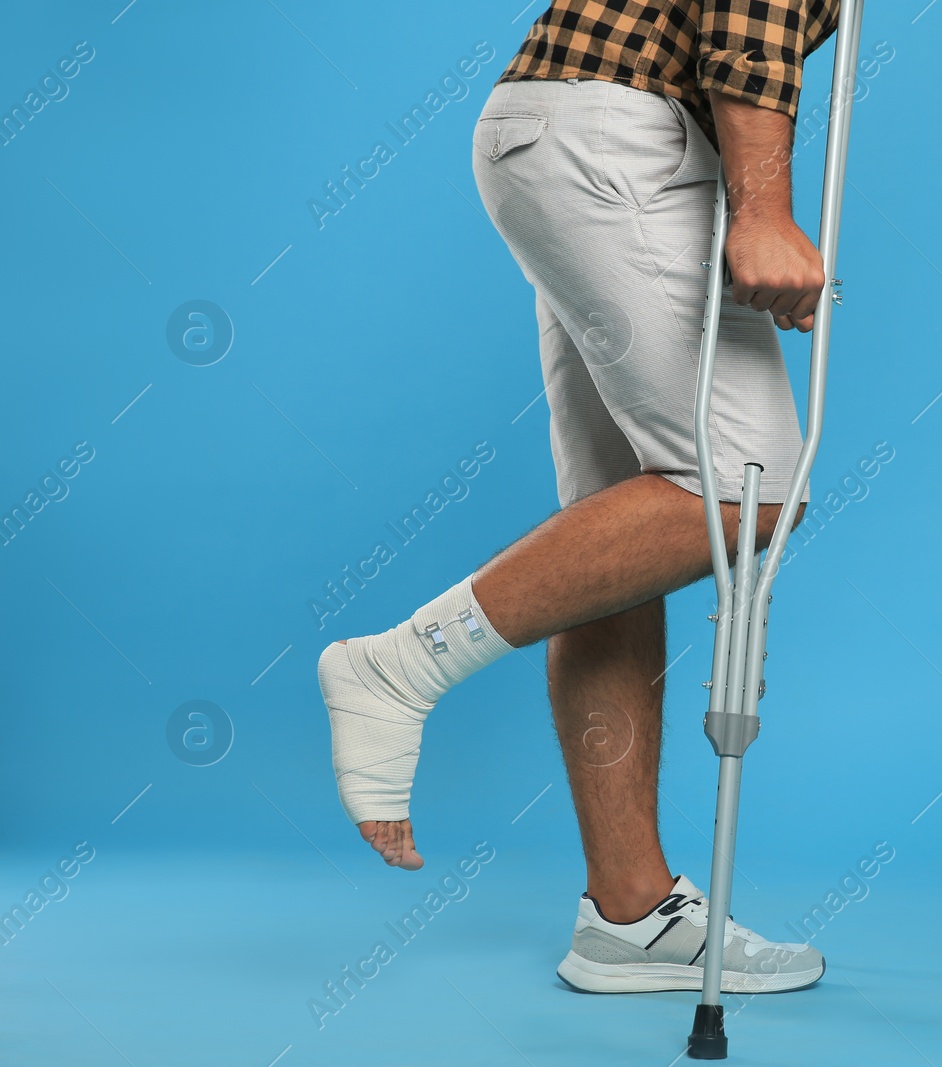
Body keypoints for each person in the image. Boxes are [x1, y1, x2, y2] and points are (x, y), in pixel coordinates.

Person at [316, 0, 842, 994]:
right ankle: (396, 666)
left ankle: (628, 916)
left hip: (577, 134)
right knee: (746, 484)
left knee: (618, 539)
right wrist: (764, 213)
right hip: (613, 136)